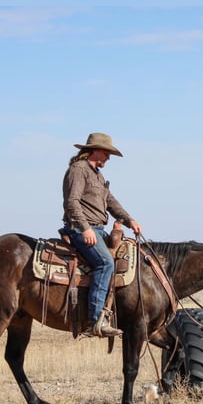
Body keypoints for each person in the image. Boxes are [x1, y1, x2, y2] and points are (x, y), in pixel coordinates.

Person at [62, 132, 143, 337]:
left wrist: (129, 220)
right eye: (107, 153)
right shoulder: (79, 170)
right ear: (96, 150)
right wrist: (84, 228)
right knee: (105, 262)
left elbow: (111, 202)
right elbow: (72, 202)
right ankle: (96, 318)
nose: (108, 158)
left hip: (97, 228)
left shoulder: (97, 175)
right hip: (82, 228)